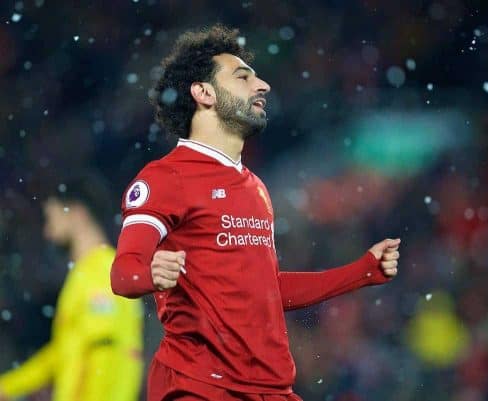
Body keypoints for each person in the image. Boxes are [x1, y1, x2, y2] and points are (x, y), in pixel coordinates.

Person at [110, 24, 401, 401]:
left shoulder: (255, 188)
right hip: (200, 387)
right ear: (204, 93)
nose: (261, 85)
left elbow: (264, 290)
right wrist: (148, 272)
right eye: (243, 76)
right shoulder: (166, 177)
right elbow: (122, 273)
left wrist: (362, 271)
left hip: (270, 389)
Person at [0, 174, 144, 401]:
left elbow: (104, 353)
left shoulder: (103, 272)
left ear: (77, 212)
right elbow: (63, 353)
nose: (47, 231)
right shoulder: (86, 274)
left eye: (52, 216)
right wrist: (7, 388)